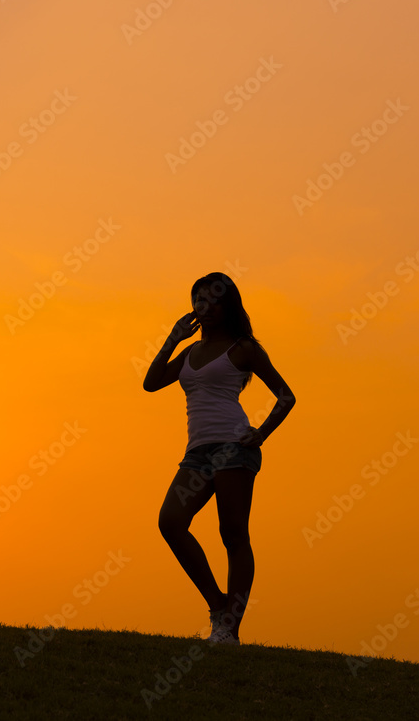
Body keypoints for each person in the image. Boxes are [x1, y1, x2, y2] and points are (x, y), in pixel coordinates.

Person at [143, 272, 295, 645]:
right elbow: (150, 382)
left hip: (233, 447)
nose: (204, 307)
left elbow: (286, 396)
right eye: (198, 300)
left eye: (212, 300)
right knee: (171, 522)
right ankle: (218, 605)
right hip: (197, 452)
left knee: (233, 534)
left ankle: (229, 629)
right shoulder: (190, 353)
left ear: (227, 306)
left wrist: (260, 433)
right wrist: (173, 338)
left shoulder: (243, 348)